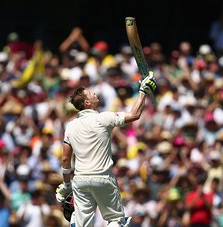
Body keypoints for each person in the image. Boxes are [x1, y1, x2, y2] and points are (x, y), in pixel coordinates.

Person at [55, 71, 157, 227]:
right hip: (102, 177)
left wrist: (66, 184)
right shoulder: (103, 118)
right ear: (87, 103)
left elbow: (65, 159)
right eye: (91, 93)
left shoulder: (70, 126)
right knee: (116, 220)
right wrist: (142, 91)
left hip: (80, 181)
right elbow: (134, 115)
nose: (95, 93)